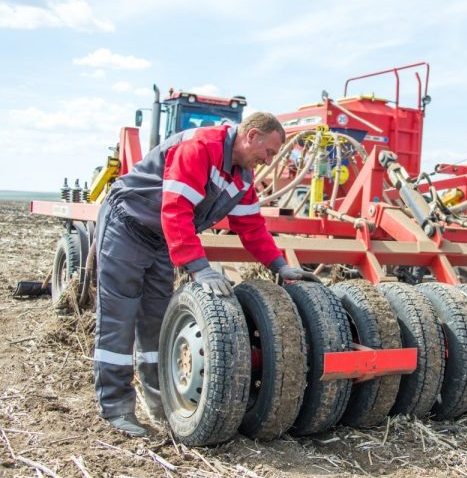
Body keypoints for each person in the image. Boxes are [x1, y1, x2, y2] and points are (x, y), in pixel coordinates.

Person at [93, 112, 320, 437]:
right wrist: (199, 268)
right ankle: (116, 408)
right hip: (127, 226)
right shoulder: (200, 147)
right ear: (251, 136)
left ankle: (160, 404)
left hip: (158, 241)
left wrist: (280, 265)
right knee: (120, 317)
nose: (268, 160)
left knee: (156, 322)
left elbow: (252, 228)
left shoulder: (242, 178)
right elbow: (175, 210)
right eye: (268, 152)